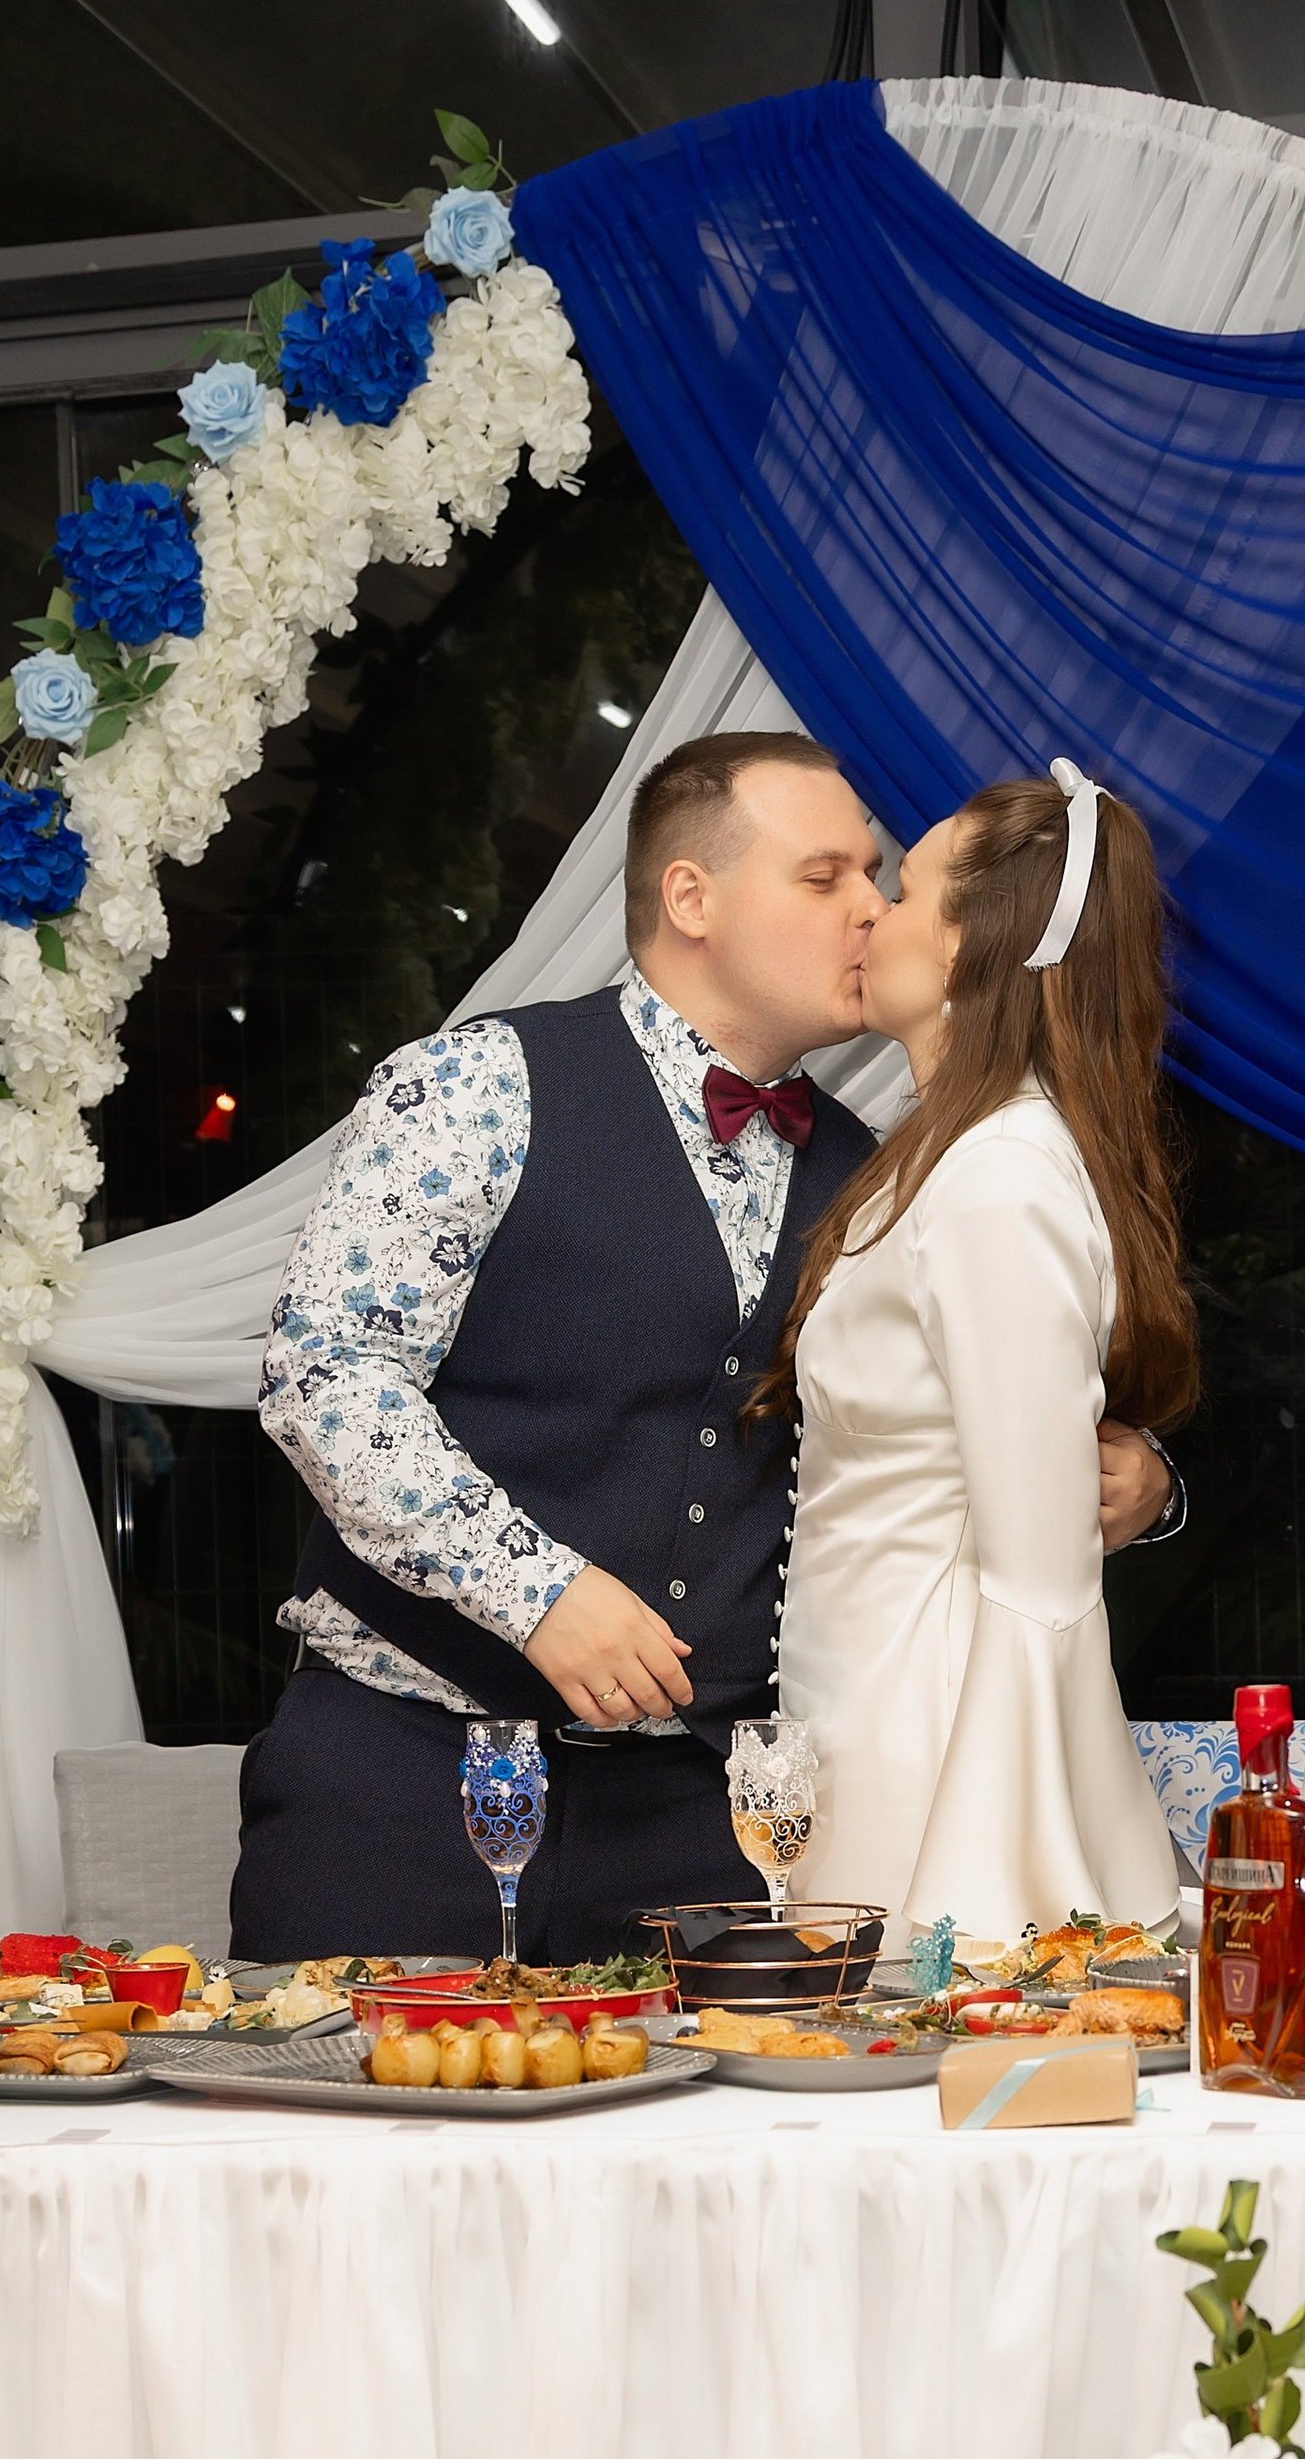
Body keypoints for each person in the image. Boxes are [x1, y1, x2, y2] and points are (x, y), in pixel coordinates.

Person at [232, 731, 1178, 1961]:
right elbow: (324, 1378)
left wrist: (1140, 1476)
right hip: (411, 1779)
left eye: (880, 881)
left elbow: (935, 1432)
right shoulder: (475, 1084)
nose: (868, 911)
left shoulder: (894, 1173)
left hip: (712, 1831)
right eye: (824, 876)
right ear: (692, 898)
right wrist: (539, 1592)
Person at [770, 763, 1195, 1948]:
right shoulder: (934, 1157)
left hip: (940, 1738)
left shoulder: (999, 1177)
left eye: (898, 892)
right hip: (861, 1706)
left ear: (972, 947)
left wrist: (990, 1879)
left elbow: (1036, 1574)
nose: (867, 915)